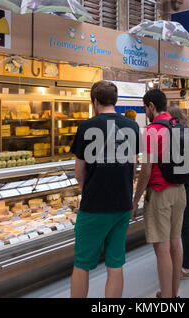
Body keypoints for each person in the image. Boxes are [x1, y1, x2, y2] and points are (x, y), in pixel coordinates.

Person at [70, 81, 140, 298]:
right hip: (122, 205)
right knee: (115, 263)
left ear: (95, 101)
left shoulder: (86, 126)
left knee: (82, 264)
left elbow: (79, 172)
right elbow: (134, 165)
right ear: (115, 101)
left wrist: (89, 189)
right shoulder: (132, 126)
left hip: (94, 206)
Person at [132, 89, 187, 298]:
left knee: (162, 250)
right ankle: (173, 294)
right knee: (175, 244)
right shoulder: (177, 125)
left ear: (151, 106)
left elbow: (146, 171)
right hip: (179, 191)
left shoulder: (152, 131)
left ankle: (165, 299)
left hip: (160, 193)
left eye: (145, 108)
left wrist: (135, 200)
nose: (145, 112)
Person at [167, 106, 189, 280]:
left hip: (180, 187)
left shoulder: (172, 137)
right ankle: (185, 265)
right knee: (186, 226)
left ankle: (182, 266)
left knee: (179, 228)